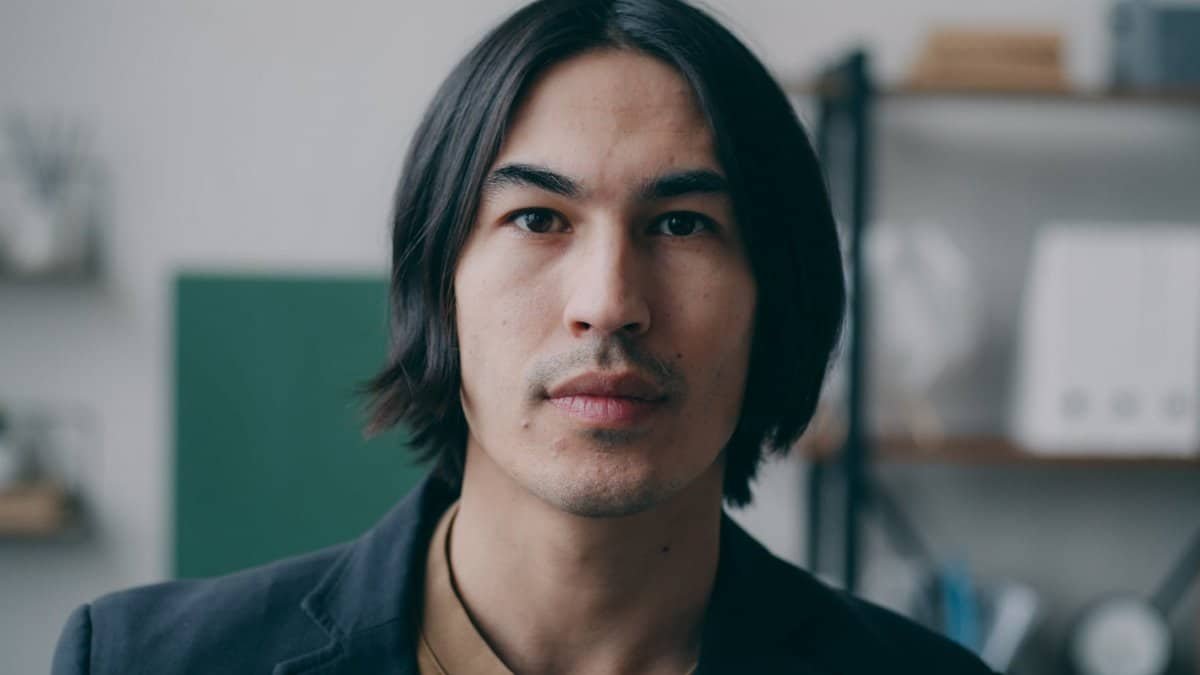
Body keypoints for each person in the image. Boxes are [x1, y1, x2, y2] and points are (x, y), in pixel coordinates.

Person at [52, 1, 997, 673]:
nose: (609, 302)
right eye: (539, 218)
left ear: (776, 297)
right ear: (439, 286)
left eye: (681, 226)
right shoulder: (141, 660)